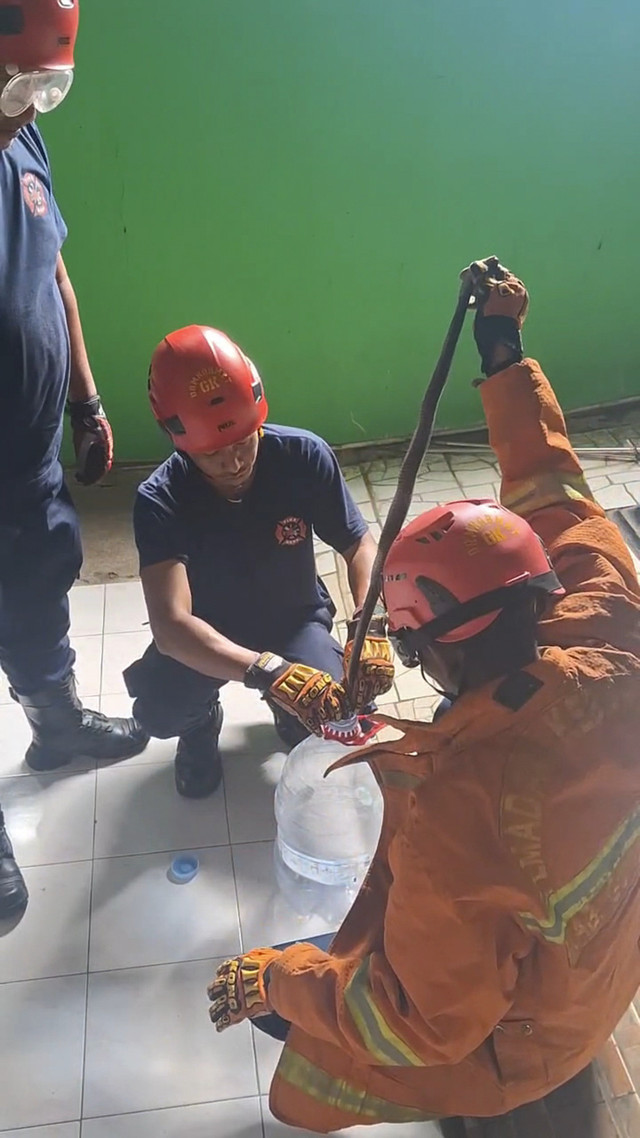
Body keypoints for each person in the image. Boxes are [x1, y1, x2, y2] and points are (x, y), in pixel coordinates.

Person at [206, 260, 640, 1132]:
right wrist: (503, 350)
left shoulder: (466, 808)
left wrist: (287, 980)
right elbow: (555, 492)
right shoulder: (610, 616)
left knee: (321, 1007)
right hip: (607, 962)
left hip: (520, 1033)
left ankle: (497, 1108)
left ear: (430, 650)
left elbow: (413, 1018)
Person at [0, 0, 149, 919]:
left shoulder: (21, 144)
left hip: (29, 460)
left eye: (42, 89)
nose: (26, 107)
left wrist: (87, 402)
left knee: (38, 589)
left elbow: (55, 271)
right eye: (17, 83)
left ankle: (56, 726)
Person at [124, 324, 395, 799]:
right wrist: (269, 672)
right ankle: (200, 724)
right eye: (213, 453)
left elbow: (359, 546)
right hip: (208, 635)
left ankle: (286, 710)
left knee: (339, 705)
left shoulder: (302, 455)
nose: (233, 462)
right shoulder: (160, 500)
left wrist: (369, 623)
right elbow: (171, 627)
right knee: (160, 710)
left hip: (292, 618)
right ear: (177, 438)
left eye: (245, 440)